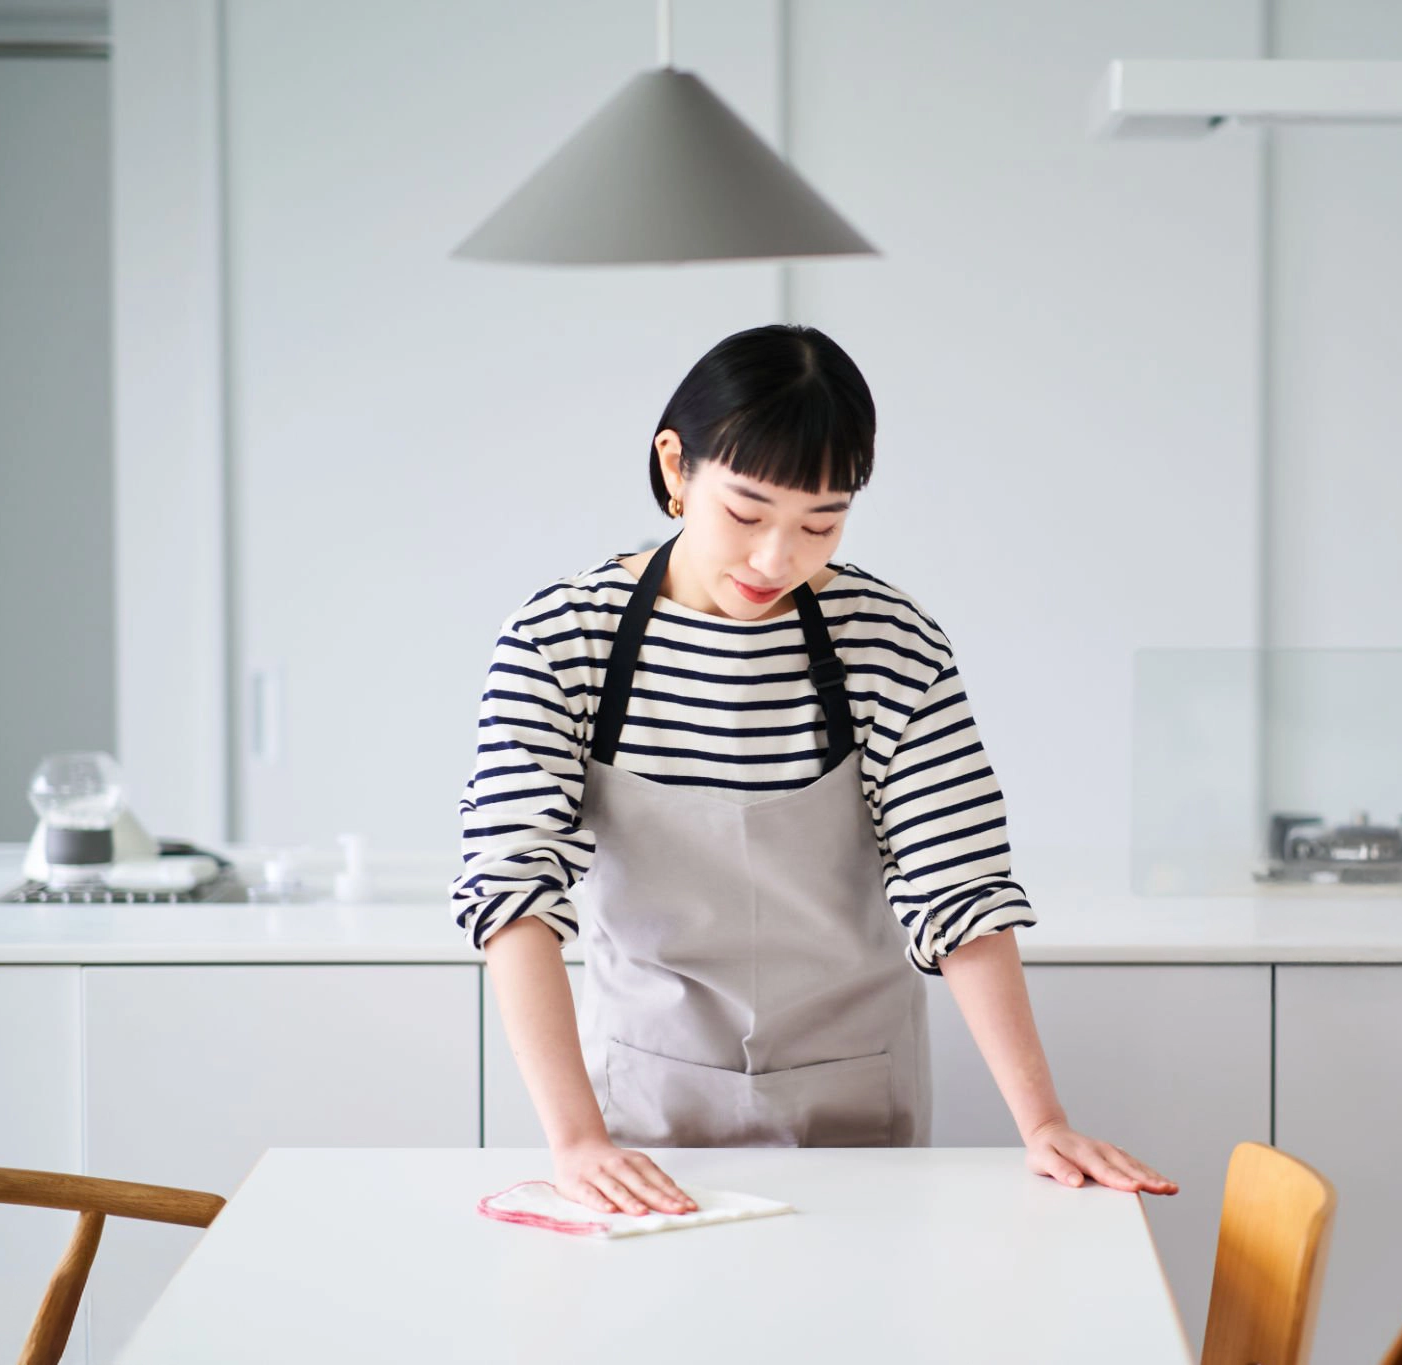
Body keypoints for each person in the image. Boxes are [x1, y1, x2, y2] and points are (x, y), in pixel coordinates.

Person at [450, 323, 1176, 1216]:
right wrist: (575, 1138)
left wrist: (1044, 1122)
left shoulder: (889, 639)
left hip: (855, 1102)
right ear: (675, 468)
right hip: (636, 1113)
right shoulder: (562, 641)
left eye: (820, 524)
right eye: (746, 514)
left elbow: (962, 887)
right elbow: (511, 895)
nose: (775, 560)